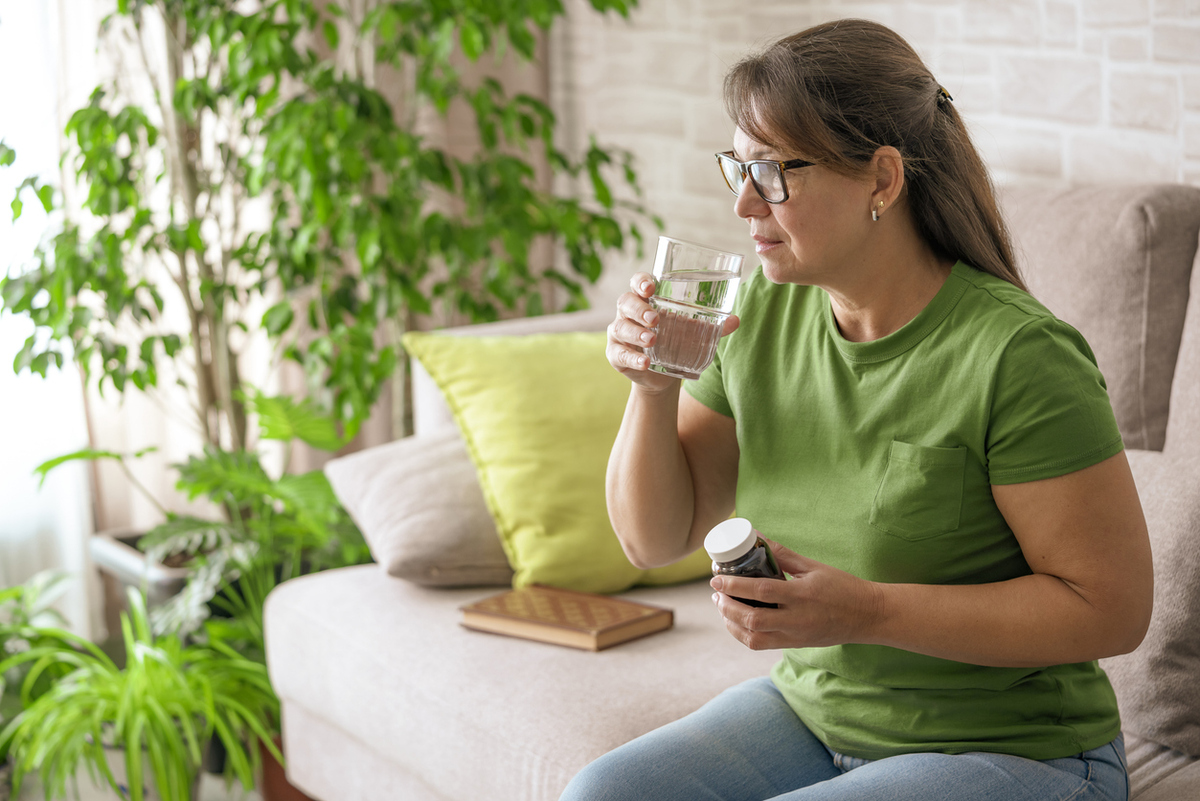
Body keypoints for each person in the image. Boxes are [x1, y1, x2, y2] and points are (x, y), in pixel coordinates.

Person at [562, 18, 1153, 801]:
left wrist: (868, 610)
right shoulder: (761, 318)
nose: (743, 203)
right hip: (817, 714)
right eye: (737, 168)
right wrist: (652, 384)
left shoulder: (1019, 356)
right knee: (603, 792)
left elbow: (1110, 609)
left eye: (773, 172)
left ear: (881, 178)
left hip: (1021, 751)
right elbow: (651, 536)